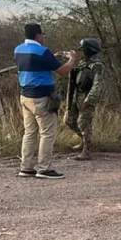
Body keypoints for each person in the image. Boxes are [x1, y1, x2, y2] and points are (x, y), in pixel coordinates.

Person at [15, 23, 76, 179]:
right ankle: (44, 168)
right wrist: (72, 60)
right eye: (42, 34)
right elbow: (63, 71)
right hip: (41, 97)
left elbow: (32, 64)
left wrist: (51, 59)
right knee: (47, 133)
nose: (43, 37)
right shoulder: (43, 52)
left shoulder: (18, 50)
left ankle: (26, 167)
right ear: (37, 35)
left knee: (29, 133)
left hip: (25, 96)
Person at [65, 38, 104, 161]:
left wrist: (90, 98)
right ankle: (83, 140)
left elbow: (97, 84)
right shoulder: (83, 63)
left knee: (84, 123)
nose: (83, 51)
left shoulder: (97, 65)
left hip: (86, 95)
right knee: (69, 120)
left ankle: (87, 150)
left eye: (84, 49)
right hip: (77, 95)